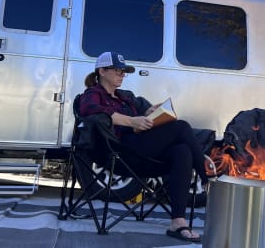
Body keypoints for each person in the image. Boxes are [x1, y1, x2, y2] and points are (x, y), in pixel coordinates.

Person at [80, 51, 209, 242]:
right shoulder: (92, 95)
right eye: (118, 70)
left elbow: (143, 115)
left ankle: (177, 221)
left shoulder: (126, 97)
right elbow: (93, 112)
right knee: (182, 127)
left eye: (124, 72)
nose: (122, 75)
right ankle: (208, 179)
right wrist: (132, 121)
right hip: (118, 152)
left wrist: (150, 113)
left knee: (182, 151)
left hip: (140, 151)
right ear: (102, 71)